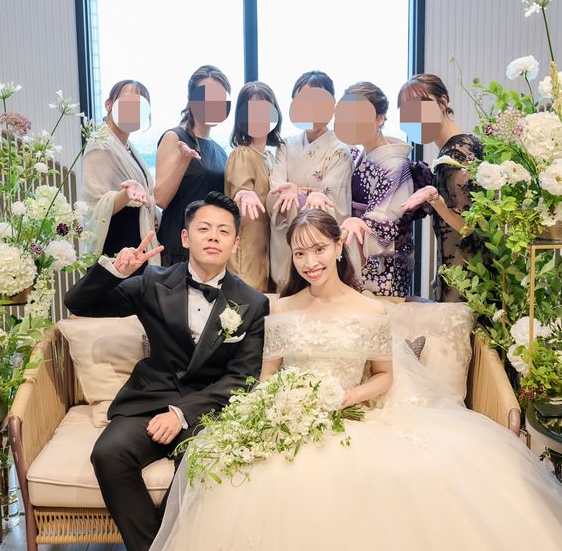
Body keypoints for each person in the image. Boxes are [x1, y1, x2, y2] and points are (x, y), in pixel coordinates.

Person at [151, 208, 562, 551]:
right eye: (300, 253)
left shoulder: (370, 311)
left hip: (353, 416)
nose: (310, 262)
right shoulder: (281, 309)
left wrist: (344, 397)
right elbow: (267, 375)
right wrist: (270, 409)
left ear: (337, 247)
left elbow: (384, 377)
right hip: (289, 422)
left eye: (319, 249)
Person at [64, 192, 269, 551]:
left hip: (207, 412)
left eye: (223, 231)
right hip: (148, 400)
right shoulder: (152, 281)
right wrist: (116, 271)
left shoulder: (252, 303)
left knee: (204, 463)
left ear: (236, 244)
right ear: (185, 237)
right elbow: (79, 304)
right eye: (204, 228)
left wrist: (181, 413)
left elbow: (242, 378)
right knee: (108, 454)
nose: (213, 236)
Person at [397, 73, 484, 301]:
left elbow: (466, 225)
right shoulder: (468, 144)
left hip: (466, 279)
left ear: (443, 102)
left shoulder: (455, 155)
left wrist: (434, 199)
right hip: (473, 272)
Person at [266, 70, 351, 291]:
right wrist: (306, 192)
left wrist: (297, 192)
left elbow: (329, 203)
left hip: (318, 247)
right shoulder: (286, 145)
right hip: (286, 243)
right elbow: (276, 192)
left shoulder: (341, 150)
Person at [338, 82, 414, 297]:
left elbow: (386, 220)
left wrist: (358, 222)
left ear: (380, 118)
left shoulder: (395, 164)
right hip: (358, 252)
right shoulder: (360, 154)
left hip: (385, 266)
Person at [155, 65, 231, 266]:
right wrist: (183, 160)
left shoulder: (220, 151)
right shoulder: (174, 137)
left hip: (210, 249)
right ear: (190, 99)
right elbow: (160, 198)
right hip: (179, 251)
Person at [82, 80, 160, 271]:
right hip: (117, 244)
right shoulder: (100, 146)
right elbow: (95, 205)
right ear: (109, 105)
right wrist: (127, 194)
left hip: (134, 239)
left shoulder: (127, 147)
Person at [225, 81, 282, 291]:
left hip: (268, 254)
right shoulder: (242, 154)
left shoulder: (270, 158)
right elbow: (242, 202)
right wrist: (245, 195)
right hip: (246, 255)